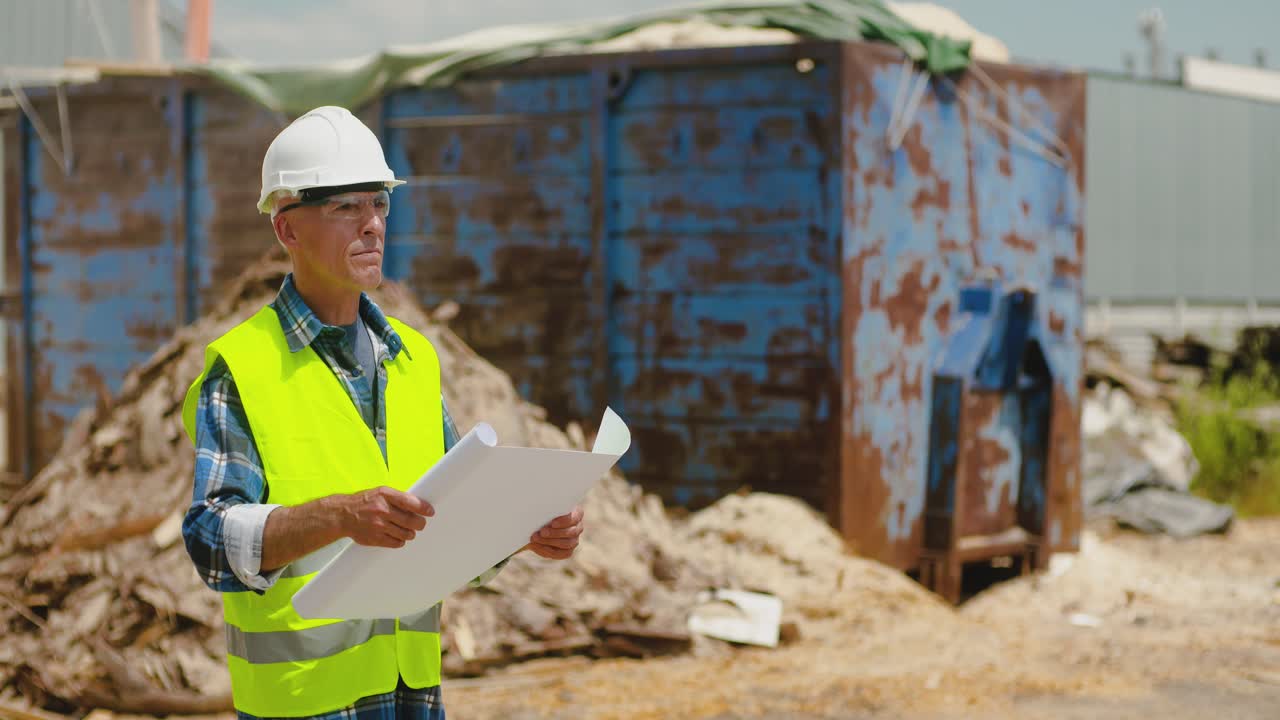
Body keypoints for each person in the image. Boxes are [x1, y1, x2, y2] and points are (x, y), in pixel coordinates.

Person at [180, 105, 585, 720]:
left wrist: (522, 530)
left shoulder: (413, 360)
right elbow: (210, 539)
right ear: (287, 230)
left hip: (411, 698)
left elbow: (452, 520)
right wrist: (339, 516)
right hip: (305, 705)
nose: (372, 225)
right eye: (346, 207)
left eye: (380, 203)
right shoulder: (243, 369)